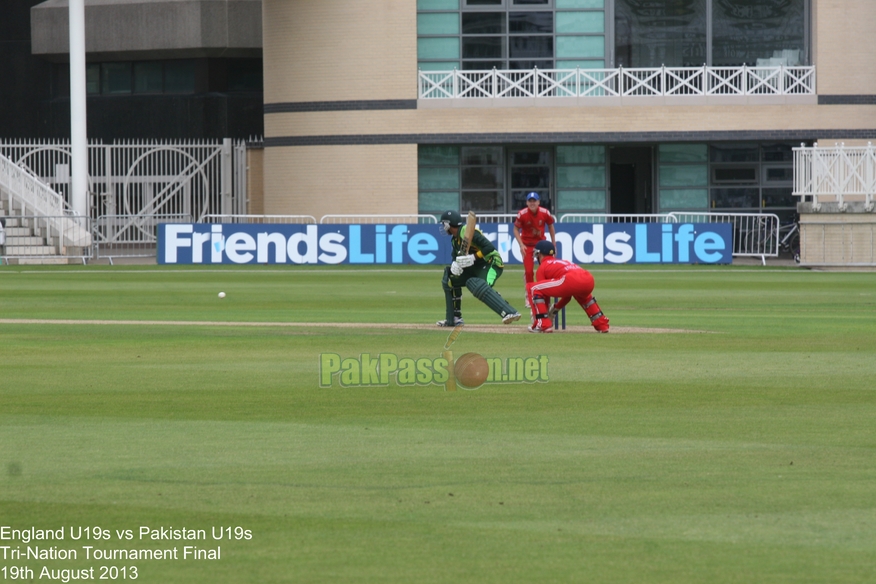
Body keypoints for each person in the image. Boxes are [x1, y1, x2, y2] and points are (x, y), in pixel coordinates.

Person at [437, 210, 521, 327]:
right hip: (474, 266)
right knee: (450, 278)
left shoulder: (466, 232)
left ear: (448, 224)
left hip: (491, 263)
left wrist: (474, 257)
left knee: (477, 285)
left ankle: (510, 312)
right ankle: (455, 318)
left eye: (443, 224)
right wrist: (455, 265)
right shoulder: (455, 241)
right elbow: (456, 258)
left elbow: (489, 248)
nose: (443, 227)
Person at [526, 240, 609, 334]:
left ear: (539, 254)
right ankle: (602, 324)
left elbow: (544, 296)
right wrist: (555, 308)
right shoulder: (562, 261)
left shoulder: (543, 267)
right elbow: (568, 294)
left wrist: (545, 315)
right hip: (588, 278)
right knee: (582, 296)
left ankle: (542, 325)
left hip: (570, 280)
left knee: (533, 288)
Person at [513, 192, 556, 305]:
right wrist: (521, 245)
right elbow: (515, 230)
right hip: (527, 245)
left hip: (540, 244)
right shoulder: (522, 214)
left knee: (545, 269)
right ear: (527, 202)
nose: (532, 203)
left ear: (538, 202)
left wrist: (553, 243)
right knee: (528, 271)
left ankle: (546, 294)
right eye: (530, 201)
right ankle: (529, 294)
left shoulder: (545, 213)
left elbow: (551, 226)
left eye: (534, 201)